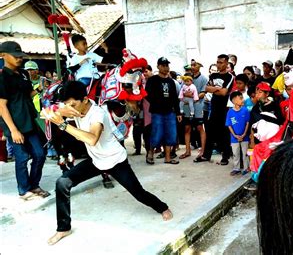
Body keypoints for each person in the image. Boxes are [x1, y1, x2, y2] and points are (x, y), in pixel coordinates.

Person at [42, 81, 172, 245]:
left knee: (139, 193)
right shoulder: (74, 107)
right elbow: (45, 111)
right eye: (68, 105)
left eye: (73, 104)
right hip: (96, 161)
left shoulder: (98, 113)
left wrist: (62, 123)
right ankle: (63, 228)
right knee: (62, 182)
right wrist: (57, 111)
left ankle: (163, 207)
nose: (71, 108)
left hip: (115, 161)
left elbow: (92, 139)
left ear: (84, 99)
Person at [0, 41, 49, 200]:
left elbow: (29, 94)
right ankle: (24, 190)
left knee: (40, 154)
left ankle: (34, 185)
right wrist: (13, 130)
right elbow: (2, 106)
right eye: (15, 56)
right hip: (15, 125)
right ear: (3, 55)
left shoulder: (23, 74)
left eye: (20, 56)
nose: (19, 59)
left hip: (29, 121)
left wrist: (42, 89)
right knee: (22, 158)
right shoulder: (2, 77)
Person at [194, 54, 234, 165]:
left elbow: (224, 92)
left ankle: (225, 156)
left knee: (224, 133)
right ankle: (206, 155)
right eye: (217, 62)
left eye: (221, 62)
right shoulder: (213, 75)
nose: (218, 64)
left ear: (226, 63)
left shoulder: (229, 77)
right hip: (213, 107)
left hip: (224, 108)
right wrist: (217, 89)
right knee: (210, 132)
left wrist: (214, 89)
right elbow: (206, 88)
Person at [145, 57, 182, 165]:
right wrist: (156, 103)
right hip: (157, 112)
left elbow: (175, 98)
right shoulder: (152, 80)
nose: (166, 68)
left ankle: (167, 158)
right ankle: (150, 153)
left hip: (170, 112)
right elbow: (147, 94)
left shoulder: (171, 81)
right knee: (156, 133)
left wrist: (178, 112)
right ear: (158, 66)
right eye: (163, 65)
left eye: (167, 65)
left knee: (171, 134)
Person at [180, 59, 208, 159]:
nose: (192, 67)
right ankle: (187, 151)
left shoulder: (204, 79)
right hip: (187, 107)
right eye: (191, 65)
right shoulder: (186, 78)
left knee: (200, 128)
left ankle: (203, 151)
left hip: (198, 106)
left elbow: (203, 92)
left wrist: (193, 96)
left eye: (194, 65)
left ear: (199, 66)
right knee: (187, 128)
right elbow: (182, 92)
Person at [226, 91, 250, 176]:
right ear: (234, 100)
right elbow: (229, 125)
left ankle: (246, 168)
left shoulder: (245, 110)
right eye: (240, 98)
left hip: (245, 137)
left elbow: (247, 123)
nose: (243, 100)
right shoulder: (230, 112)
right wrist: (235, 135)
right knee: (235, 153)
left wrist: (244, 134)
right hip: (234, 137)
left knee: (245, 153)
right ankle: (236, 168)